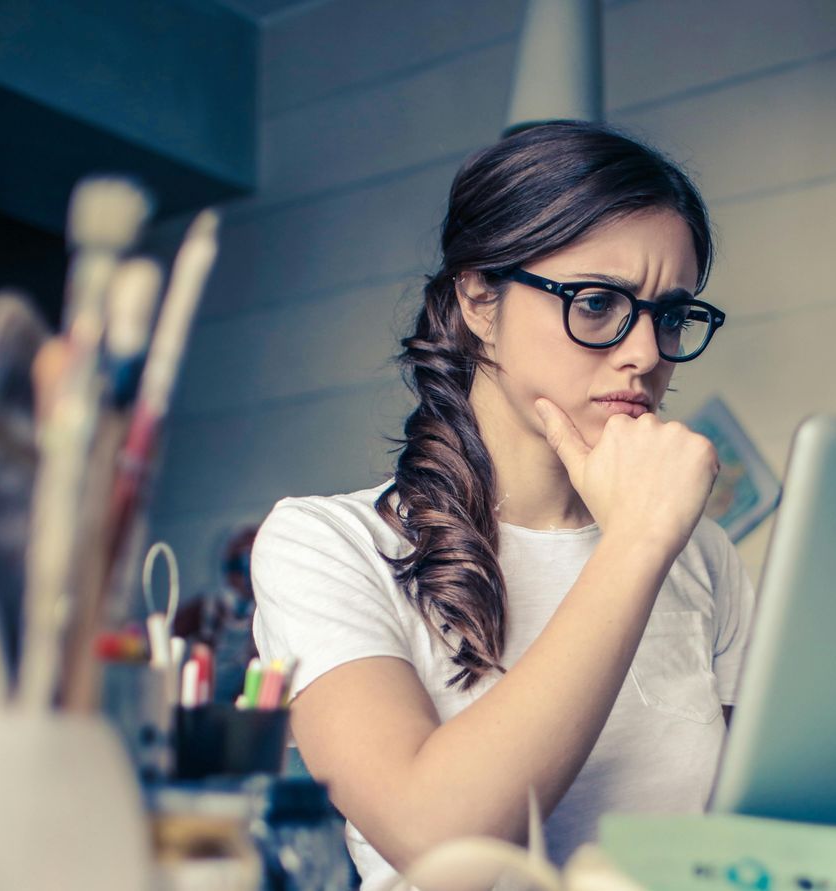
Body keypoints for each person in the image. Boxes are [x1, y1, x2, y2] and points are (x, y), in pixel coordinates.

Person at [251, 121, 756, 891]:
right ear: (479, 299)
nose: (646, 353)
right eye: (595, 303)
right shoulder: (325, 544)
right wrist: (636, 543)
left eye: (670, 314)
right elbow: (438, 836)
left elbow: (750, 837)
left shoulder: (703, 555)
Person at [173, 523, 259, 703]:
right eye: (238, 564)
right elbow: (166, 642)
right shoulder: (205, 607)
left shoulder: (267, 613)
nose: (245, 575)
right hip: (204, 705)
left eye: (252, 562)